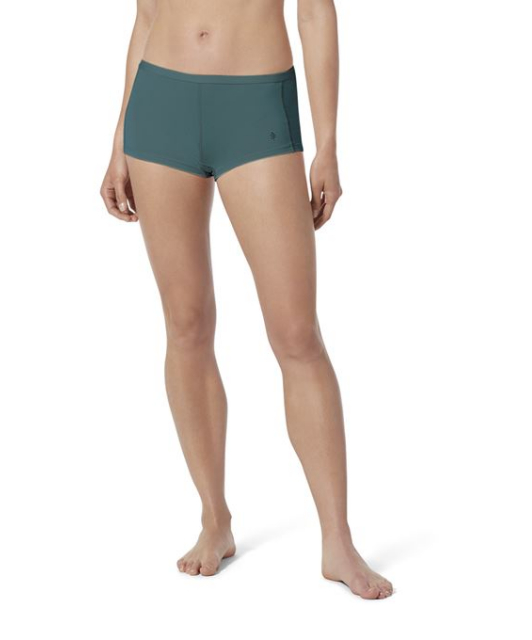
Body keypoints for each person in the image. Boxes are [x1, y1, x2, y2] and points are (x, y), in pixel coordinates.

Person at [100, 0, 393, 600]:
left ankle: (337, 541)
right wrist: (118, 139)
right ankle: (215, 520)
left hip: (256, 103)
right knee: (186, 324)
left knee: (296, 334)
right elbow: (148, 14)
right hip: (160, 104)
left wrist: (328, 144)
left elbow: (315, 13)